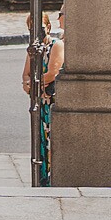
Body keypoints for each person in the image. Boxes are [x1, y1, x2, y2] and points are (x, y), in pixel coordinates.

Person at [23, 10, 65, 185]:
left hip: (50, 101)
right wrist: (28, 84)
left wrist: (32, 84)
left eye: (40, 28)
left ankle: (52, 178)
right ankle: (41, 179)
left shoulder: (56, 45)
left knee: (51, 141)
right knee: (39, 141)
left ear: (48, 27)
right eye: (32, 30)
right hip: (39, 102)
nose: (37, 33)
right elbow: (25, 74)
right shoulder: (33, 49)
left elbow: (52, 73)